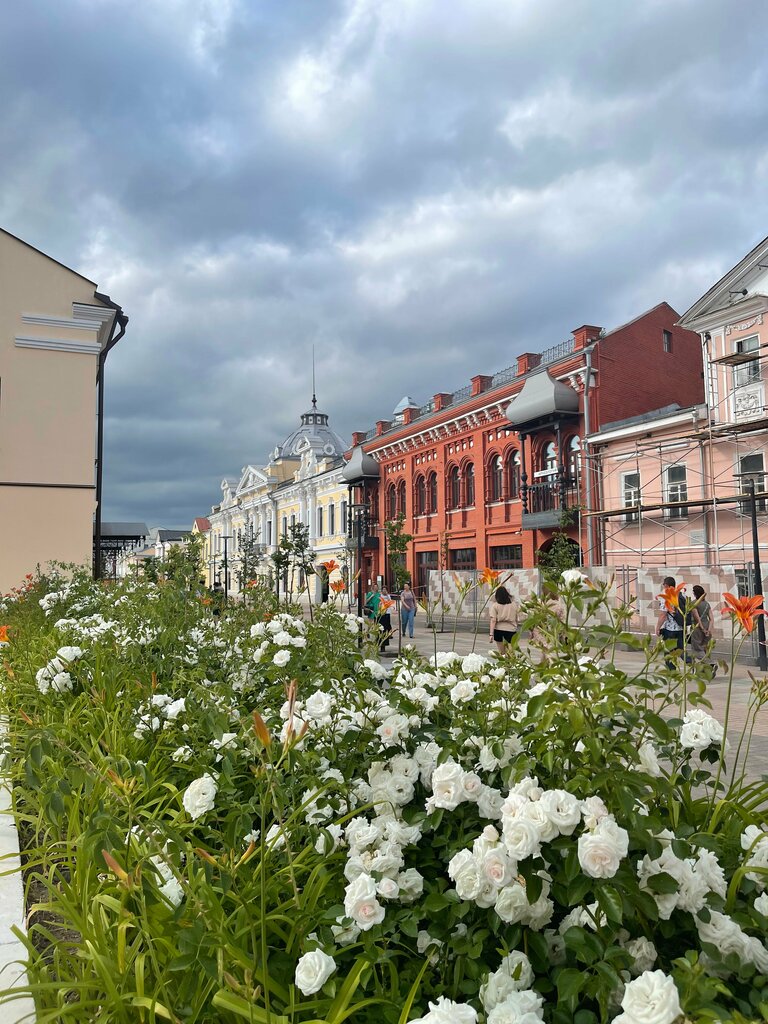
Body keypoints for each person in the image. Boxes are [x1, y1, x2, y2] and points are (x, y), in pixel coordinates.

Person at [655, 575, 701, 667]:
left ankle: (671, 672)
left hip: (670, 630)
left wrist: (658, 628)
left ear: (666, 585)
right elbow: (690, 609)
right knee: (681, 651)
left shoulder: (666, 596)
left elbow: (663, 615)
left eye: (664, 585)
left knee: (668, 652)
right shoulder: (682, 594)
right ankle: (694, 666)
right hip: (682, 627)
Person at [690, 584, 716, 674]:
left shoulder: (693, 603)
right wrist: (708, 630)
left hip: (697, 628)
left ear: (695, 594)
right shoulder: (707, 604)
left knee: (696, 649)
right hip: (707, 625)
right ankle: (706, 670)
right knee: (704, 649)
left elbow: (697, 618)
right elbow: (712, 619)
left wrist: (702, 628)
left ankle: (710, 663)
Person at [488, 585, 519, 653]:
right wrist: (516, 625)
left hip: (498, 630)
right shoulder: (514, 605)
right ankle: (511, 663)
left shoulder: (495, 606)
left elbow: (493, 620)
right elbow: (516, 618)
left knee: (502, 652)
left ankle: (503, 662)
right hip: (511, 630)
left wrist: (491, 634)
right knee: (511, 652)